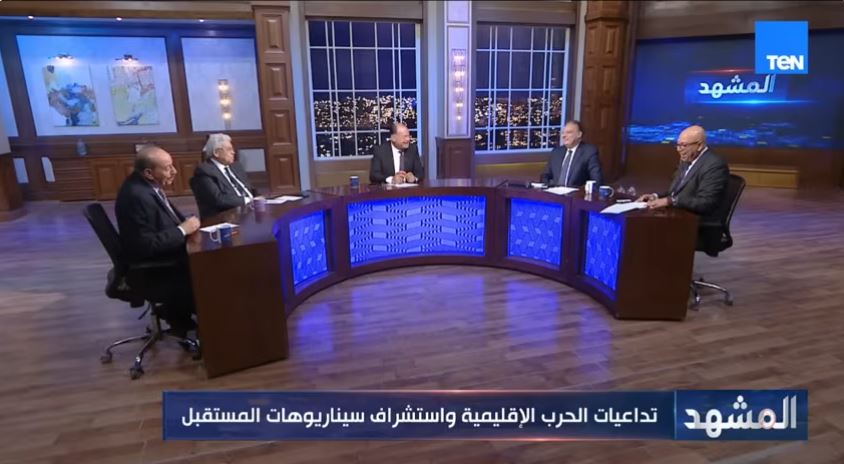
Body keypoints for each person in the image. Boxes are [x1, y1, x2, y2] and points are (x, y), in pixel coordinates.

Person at [115, 145, 200, 335]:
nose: (174, 171)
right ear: (148, 173)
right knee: (209, 273)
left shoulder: (146, 186)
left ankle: (179, 314)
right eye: (168, 168)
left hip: (165, 259)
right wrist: (182, 230)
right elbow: (144, 246)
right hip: (155, 270)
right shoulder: (137, 196)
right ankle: (182, 318)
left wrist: (184, 226)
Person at [636, 125, 729, 224]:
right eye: (678, 145)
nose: (679, 149)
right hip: (679, 215)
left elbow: (706, 203)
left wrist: (670, 201)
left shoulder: (714, 165)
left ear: (700, 145)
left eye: (684, 145)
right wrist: (656, 196)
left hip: (697, 223)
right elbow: (674, 193)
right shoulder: (686, 160)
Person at [190, 133, 260, 219]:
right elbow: (219, 199)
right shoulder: (204, 171)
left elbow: (250, 189)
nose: (233, 152)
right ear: (216, 153)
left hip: (249, 211)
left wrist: (259, 197)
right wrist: (248, 200)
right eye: (229, 149)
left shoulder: (236, 166)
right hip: (227, 216)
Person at [539, 120, 603, 187]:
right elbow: (544, 176)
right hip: (554, 192)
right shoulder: (556, 152)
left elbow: (596, 181)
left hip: (576, 193)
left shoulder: (589, 152)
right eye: (563, 133)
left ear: (579, 134)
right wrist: (550, 186)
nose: (564, 136)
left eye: (569, 132)